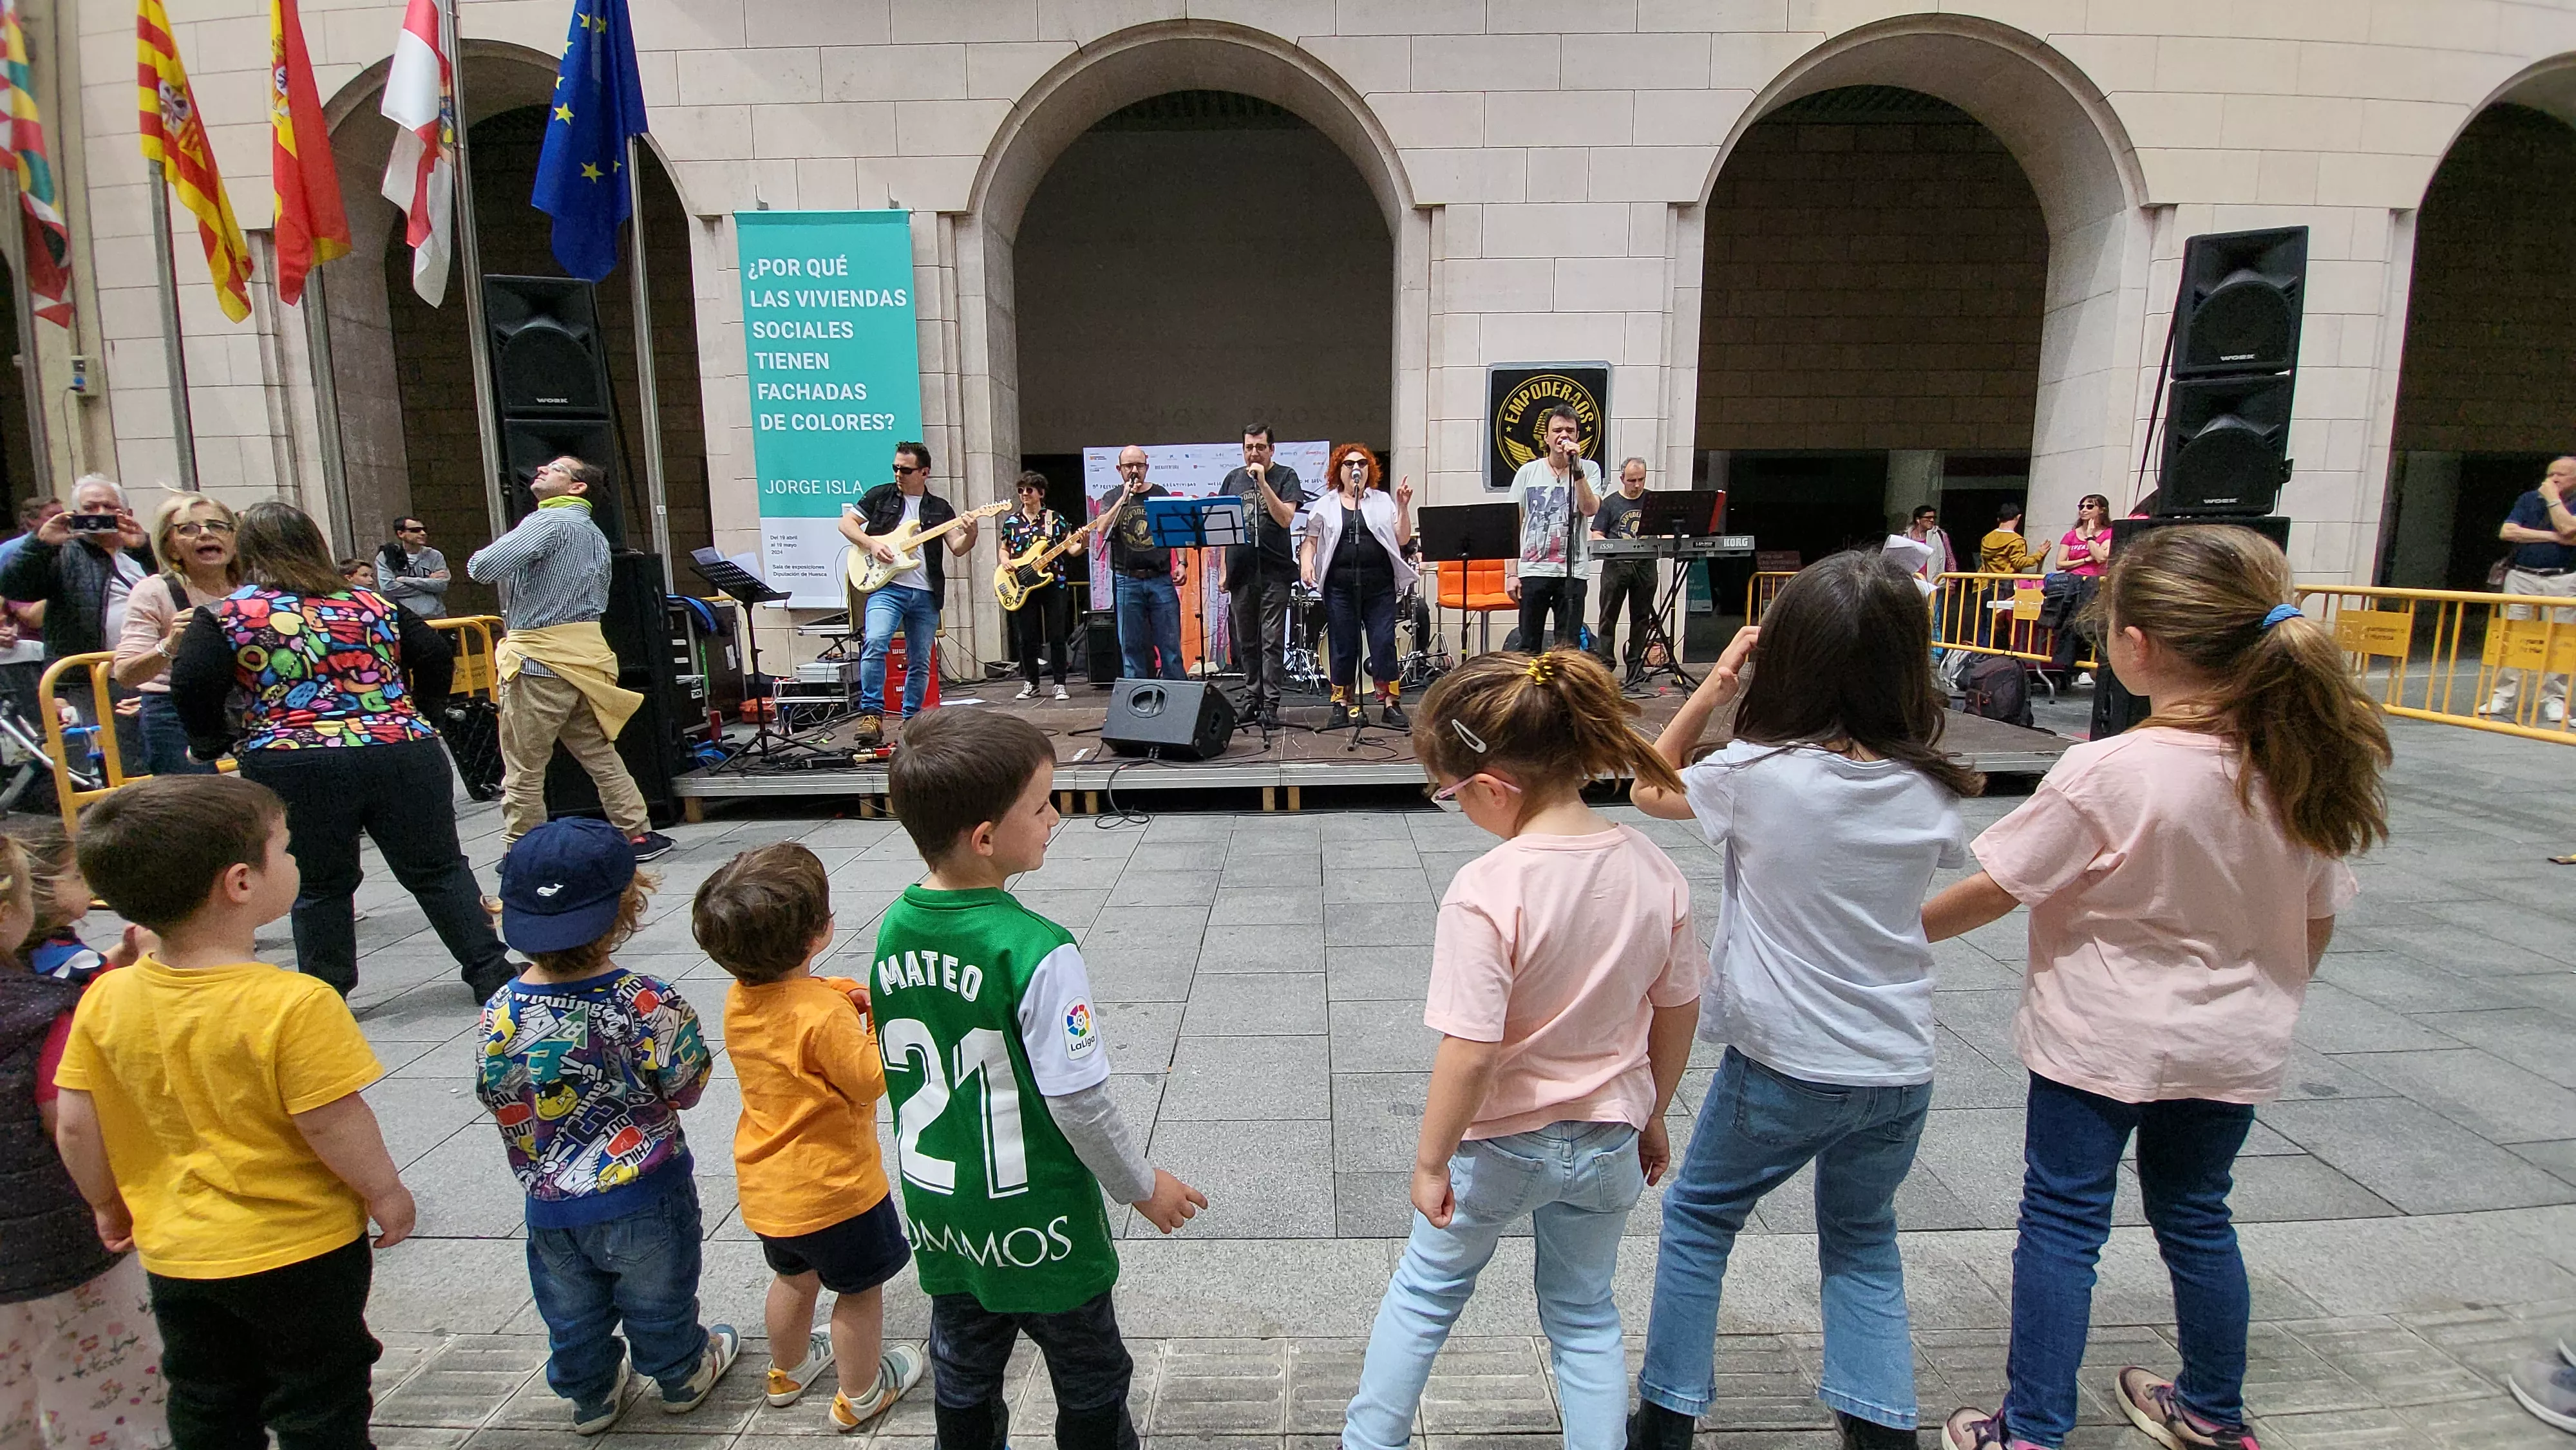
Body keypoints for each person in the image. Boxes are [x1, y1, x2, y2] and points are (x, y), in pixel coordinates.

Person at [1922, 525, 2392, 1450]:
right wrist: (2264, 991)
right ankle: (2214, 1411)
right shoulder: (2297, 762)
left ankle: (2032, 1429)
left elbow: (2001, 887)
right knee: (2197, 1212)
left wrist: (1888, 934)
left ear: (2137, 644)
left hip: (2099, 1041)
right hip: (2235, 1043)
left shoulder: (2112, 770)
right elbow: (2318, 915)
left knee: (2061, 1221)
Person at [1624, 552, 1983, 1450]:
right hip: (1898, 1066)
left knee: (1702, 1220)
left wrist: (1710, 690)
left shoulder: (1755, 775)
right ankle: (1880, 1434)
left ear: (1786, 658)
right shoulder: (1932, 790)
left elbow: (1647, 782)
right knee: (1863, 1245)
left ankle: (1666, 1423)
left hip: (1782, 1062)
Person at [1340, 648, 1700, 1450]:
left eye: (1452, 794)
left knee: (1426, 1293)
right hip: (1610, 1137)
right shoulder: (1654, 868)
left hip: (1498, 1146)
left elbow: (1470, 1049)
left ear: (1493, 786)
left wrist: (1431, 1160)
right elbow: (1677, 1011)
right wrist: (1653, 1114)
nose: (1457, 807)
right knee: (1585, 1315)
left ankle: (1371, 1442)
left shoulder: (1488, 888)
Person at [876, 708, 1207, 1450]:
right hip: (1041, 1226)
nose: (1056, 815)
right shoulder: (1038, 950)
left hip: (947, 1216)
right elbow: (1079, 1101)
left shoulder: (896, 925)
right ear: (985, 837)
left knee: (961, 1373)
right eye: (1041, 804)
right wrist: (1139, 1182)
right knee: (1090, 1377)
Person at [52, 775, 417, 1448]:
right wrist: (385, 1190)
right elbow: (332, 1120)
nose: (297, 858)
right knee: (319, 1393)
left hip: (177, 1250)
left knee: (206, 1394)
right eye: (286, 848)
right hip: (300, 1247)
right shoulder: (294, 1002)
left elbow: (77, 1120)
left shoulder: (106, 998)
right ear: (241, 882)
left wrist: (104, 1201)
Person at [168, 501, 517, 1002]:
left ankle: (328, 991)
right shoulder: (371, 604)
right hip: (401, 746)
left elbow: (192, 682)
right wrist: (421, 712)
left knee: (318, 884)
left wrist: (212, 741)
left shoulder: (227, 615)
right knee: (439, 868)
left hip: (293, 756)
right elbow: (436, 654)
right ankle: (490, 972)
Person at [477, 817, 736, 1434]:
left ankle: (590, 1394)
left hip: (549, 1202)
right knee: (659, 1295)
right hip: (645, 1189)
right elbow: (687, 1087)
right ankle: (679, 1373)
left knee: (571, 1312)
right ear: (629, 906)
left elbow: (496, 1094)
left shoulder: (501, 1009)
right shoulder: (645, 1000)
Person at [692, 842, 925, 1434]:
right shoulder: (822, 1018)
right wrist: (880, 1026)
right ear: (818, 934)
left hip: (771, 1190)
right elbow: (872, 1080)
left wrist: (836, 994)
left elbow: (795, 1009)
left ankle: (789, 1370)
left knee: (794, 1279)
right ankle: (862, 1391)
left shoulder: (741, 998)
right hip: (836, 1191)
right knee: (859, 1291)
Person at [1, 831, 172, 1447]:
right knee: (108, 1391)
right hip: (61, 1246)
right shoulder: (44, 1013)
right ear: (12, 912)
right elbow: (71, 1124)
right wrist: (111, 1201)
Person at [468, 457, 676, 859]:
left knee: (524, 766)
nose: (541, 470)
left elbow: (482, 567)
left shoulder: (547, 522)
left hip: (538, 661)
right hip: (585, 661)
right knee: (599, 754)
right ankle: (637, 833)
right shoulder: (594, 533)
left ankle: (522, 847)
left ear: (577, 487)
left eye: (556, 468)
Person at [838, 441, 979, 748]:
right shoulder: (880, 496)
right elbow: (846, 524)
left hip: (926, 592)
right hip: (887, 586)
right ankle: (872, 714)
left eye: (906, 469)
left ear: (925, 472)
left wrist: (973, 531)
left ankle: (912, 721)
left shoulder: (939, 508)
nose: (899, 474)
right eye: (896, 468)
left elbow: (957, 548)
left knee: (920, 660)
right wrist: (873, 544)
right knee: (875, 641)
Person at [111, 492, 240, 778]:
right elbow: (126, 673)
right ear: (171, 547)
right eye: (189, 529)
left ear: (234, 539)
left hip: (250, 702)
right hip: (176, 711)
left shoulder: (255, 586)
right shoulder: (154, 591)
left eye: (218, 526)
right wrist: (169, 646)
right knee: (194, 807)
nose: (206, 534)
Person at [1298, 443, 1416, 730]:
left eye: (1362, 464)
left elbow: (1402, 539)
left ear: (1369, 470)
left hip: (1379, 586)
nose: (1356, 469)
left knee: (1383, 642)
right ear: (1339, 471)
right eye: (1349, 464)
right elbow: (1311, 540)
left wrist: (1402, 507)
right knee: (1343, 644)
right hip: (1340, 586)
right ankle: (1341, 703)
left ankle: (1390, 703)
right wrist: (1306, 563)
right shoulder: (1326, 504)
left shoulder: (1382, 501)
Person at [0, 474, 152, 665]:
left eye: (110, 507)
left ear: (127, 513)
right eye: (90, 508)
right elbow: (14, 587)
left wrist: (143, 550)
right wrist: (40, 545)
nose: (101, 513)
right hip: (84, 679)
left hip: (143, 670)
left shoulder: (140, 550)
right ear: (75, 515)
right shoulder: (61, 552)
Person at [1219, 423, 1304, 729]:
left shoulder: (1286, 476)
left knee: (1270, 641)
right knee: (1247, 642)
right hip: (1241, 572)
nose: (1254, 453)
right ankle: (1252, 698)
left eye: (1260, 447)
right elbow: (1223, 530)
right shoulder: (1232, 479)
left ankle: (1271, 704)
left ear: (1272, 449)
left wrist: (1264, 482)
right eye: (1248, 447)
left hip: (1275, 572)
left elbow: (1285, 518)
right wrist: (1224, 570)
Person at [2483, 455, 2576, 724]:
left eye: (2561, 475)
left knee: (2562, 639)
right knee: (2512, 634)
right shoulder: (2528, 499)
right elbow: (2508, 531)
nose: (2553, 479)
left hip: (2563, 578)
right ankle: (2502, 694)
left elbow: (2569, 526)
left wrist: (2553, 500)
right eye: (2550, 474)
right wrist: (2556, 538)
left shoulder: (2557, 500)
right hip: (2522, 576)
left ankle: (2556, 699)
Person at [6, 816, 146, 987]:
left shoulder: (13, 946)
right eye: (77, 876)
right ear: (41, 888)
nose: (88, 883)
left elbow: (73, 969)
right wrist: (150, 956)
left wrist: (122, 952)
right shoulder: (76, 964)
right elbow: (124, 996)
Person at [1505, 405, 1600, 652]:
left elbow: (1590, 509)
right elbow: (1513, 525)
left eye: (1570, 430)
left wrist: (1577, 470)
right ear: (1546, 437)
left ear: (1578, 436)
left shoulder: (1589, 470)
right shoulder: (1528, 472)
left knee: (1567, 649)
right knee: (1528, 646)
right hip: (1533, 569)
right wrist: (1511, 574)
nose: (1564, 435)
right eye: (1557, 430)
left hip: (1572, 572)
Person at [1095, 444, 1186, 683]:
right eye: (1129, 466)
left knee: (1170, 647)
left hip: (1160, 578)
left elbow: (1176, 531)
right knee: (1132, 648)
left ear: (1147, 467)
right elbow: (1102, 527)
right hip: (1127, 580)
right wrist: (1125, 497)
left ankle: (1178, 702)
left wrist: (1183, 563)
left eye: (1139, 465)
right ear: (1119, 469)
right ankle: (1138, 704)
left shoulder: (1160, 493)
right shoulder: (1113, 496)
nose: (1135, 470)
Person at [998, 471, 1074, 702]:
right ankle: (1031, 682)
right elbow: (1005, 548)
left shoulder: (1055, 520)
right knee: (1026, 635)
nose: (1024, 495)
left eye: (1029, 490)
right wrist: (1004, 560)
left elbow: (1071, 549)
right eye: (1021, 490)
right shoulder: (1012, 522)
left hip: (1054, 582)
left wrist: (1082, 542)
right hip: (1021, 583)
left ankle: (1060, 683)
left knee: (1057, 633)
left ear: (1040, 493)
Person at [1589, 457, 1656, 672]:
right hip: (1615, 568)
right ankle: (1606, 666)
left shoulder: (1652, 500)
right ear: (1622, 479)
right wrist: (1611, 546)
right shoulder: (1610, 503)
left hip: (1645, 567)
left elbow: (1662, 530)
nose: (1637, 485)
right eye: (1632, 480)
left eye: (1641, 480)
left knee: (1641, 617)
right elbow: (1596, 533)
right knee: (1608, 617)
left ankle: (1636, 667)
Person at [2045, 494, 2114, 678]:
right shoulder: (2071, 535)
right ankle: (2067, 666)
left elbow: (2101, 558)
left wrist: (2091, 537)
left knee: (2092, 626)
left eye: (2090, 506)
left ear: (2102, 510)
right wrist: (2085, 559)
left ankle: (2090, 669)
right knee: (2068, 623)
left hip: (2095, 585)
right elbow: (2060, 564)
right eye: (2081, 506)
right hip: (2071, 586)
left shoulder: (2108, 533)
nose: (2084, 509)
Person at [374, 516, 450, 617]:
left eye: (424, 530)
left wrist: (405, 580)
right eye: (415, 530)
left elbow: (442, 585)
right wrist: (428, 583)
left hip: (435, 617)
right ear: (400, 534)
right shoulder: (387, 556)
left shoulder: (435, 555)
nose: (423, 533)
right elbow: (388, 588)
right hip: (403, 619)